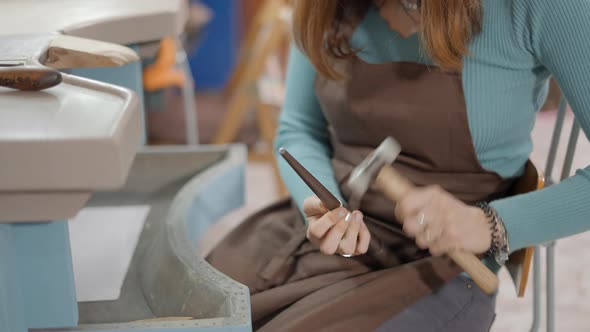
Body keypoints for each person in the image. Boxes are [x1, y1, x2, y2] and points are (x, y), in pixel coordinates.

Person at [207, 0, 590, 331]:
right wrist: (320, 205)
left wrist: (492, 224)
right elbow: (298, 128)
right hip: (325, 238)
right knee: (187, 306)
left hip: (440, 268)